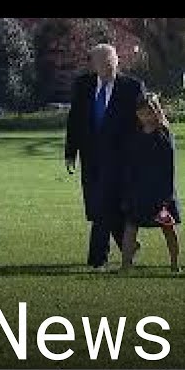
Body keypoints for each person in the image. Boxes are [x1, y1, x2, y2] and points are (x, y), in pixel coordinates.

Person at [64, 44, 145, 271]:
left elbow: (141, 122)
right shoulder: (83, 85)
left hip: (121, 159)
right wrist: (70, 152)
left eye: (112, 63)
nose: (108, 68)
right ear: (94, 64)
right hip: (91, 158)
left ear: (117, 61)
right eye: (103, 64)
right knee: (101, 207)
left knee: (103, 206)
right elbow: (75, 121)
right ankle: (128, 245)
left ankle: (97, 259)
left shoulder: (132, 87)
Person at [119, 93, 182, 273]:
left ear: (157, 112)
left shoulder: (164, 135)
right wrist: (128, 187)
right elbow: (129, 162)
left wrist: (166, 197)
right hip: (138, 189)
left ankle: (175, 263)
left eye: (149, 112)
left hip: (159, 191)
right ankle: (125, 264)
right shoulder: (135, 135)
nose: (146, 117)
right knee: (131, 227)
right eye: (142, 113)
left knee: (167, 227)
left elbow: (168, 168)